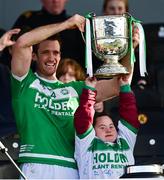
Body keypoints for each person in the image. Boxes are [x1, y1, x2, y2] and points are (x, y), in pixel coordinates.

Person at [11, 14, 133, 178]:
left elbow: (119, 85)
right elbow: (22, 43)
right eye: (45, 52)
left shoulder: (75, 88)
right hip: (36, 165)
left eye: (56, 53)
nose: (52, 58)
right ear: (34, 55)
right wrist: (66, 24)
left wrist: (130, 45)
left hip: (71, 168)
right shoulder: (24, 83)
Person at [74, 75, 139, 179]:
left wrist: (125, 87)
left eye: (111, 126)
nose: (108, 130)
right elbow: (83, 120)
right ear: (93, 132)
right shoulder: (86, 145)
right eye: (102, 127)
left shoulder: (125, 141)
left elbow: (130, 116)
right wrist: (89, 91)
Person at [11, 0, 85, 70]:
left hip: (68, 78)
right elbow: (16, 48)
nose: (55, 0)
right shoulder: (28, 19)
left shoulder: (76, 25)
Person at [0, 29, 20, 137]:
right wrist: (0, 46)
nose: (23, 51)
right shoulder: (2, 72)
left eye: (27, 46)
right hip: (4, 137)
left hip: (30, 141)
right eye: (19, 47)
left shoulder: (39, 76)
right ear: (10, 50)